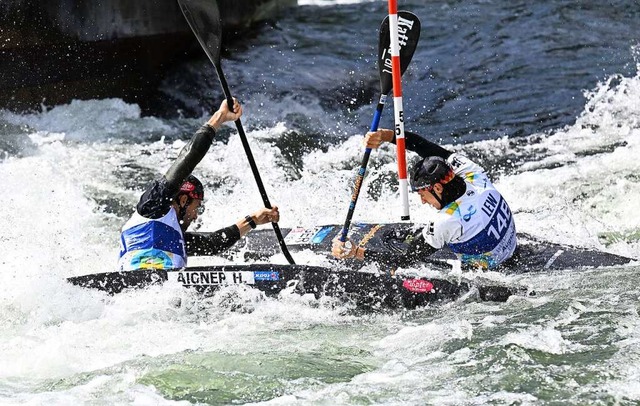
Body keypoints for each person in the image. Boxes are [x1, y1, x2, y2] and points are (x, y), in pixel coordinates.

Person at [118, 99, 280, 271]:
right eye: (197, 207)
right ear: (182, 200)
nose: (195, 216)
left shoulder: (174, 238)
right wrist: (220, 117)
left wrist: (253, 220)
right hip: (134, 288)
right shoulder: (152, 205)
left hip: (167, 294)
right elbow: (189, 157)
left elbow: (212, 244)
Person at [331, 128, 517, 270]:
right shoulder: (472, 174)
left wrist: (355, 252)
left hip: (491, 270)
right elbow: (424, 147)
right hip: (511, 249)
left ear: (437, 188)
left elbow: (404, 260)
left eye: (422, 194)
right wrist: (385, 136)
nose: (422, 201)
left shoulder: (447, 221)